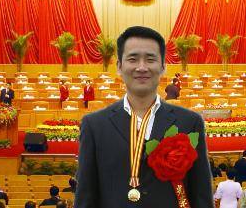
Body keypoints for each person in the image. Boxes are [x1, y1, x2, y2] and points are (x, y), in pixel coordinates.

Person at [75, 26, 214, 208]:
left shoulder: (189, 122)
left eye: (150, 59)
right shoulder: (94, 125)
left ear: (163, 67)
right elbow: (86, 197)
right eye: (133, 59)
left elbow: (201, 196)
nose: (141, 67)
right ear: (119, 66)